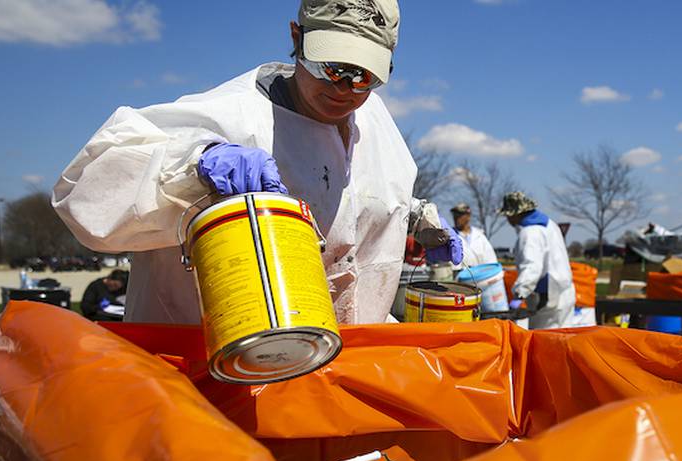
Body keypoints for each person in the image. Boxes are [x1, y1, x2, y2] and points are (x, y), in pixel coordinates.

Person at [52, 0, 461, 326]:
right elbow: (86, 198)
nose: (344, 87)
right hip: (212, 376)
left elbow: (365, 196)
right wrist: (195, 165)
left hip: (341, 372)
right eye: (331, 66)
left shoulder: (376, 123)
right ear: (296, 37)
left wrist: (414, 220)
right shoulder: (231, 117)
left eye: (365, 75)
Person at [499, 192, 575, 330]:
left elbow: (532, 268)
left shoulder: (530, 233)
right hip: (565, 291)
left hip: (548, 298)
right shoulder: (549, 224)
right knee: (563, 338)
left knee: (544, 343)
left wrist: (519, 295)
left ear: (514, 214)